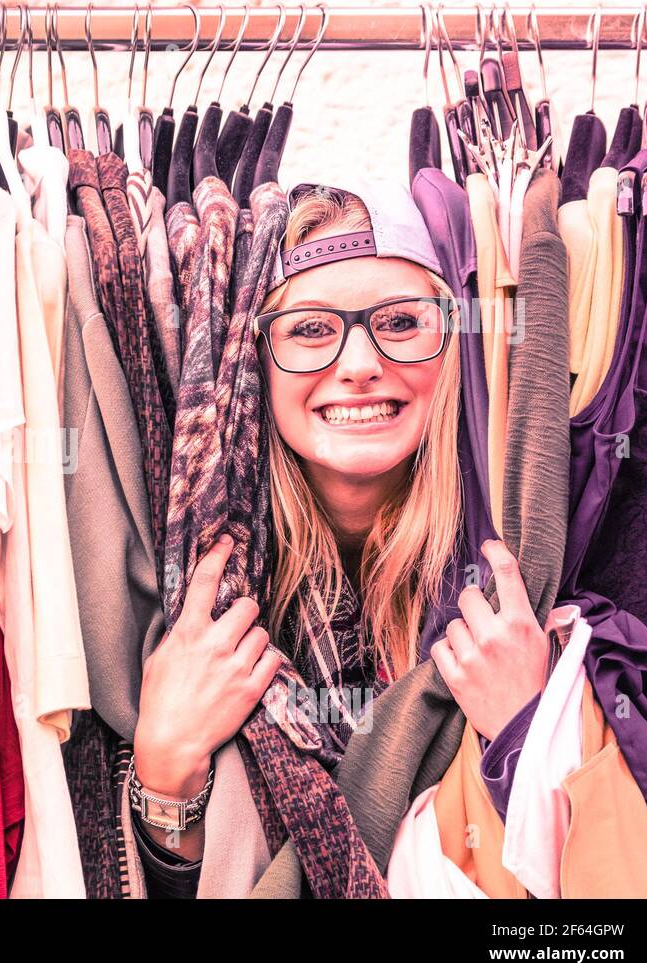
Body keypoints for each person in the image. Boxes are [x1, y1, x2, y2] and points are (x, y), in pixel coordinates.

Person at [127, 182, 551, 895]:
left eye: (401, 322)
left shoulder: (515, 581)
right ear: (254, 364)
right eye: (312, 330)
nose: (358, 364)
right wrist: (164, 772)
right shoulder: (209, 595)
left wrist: (529, 733)